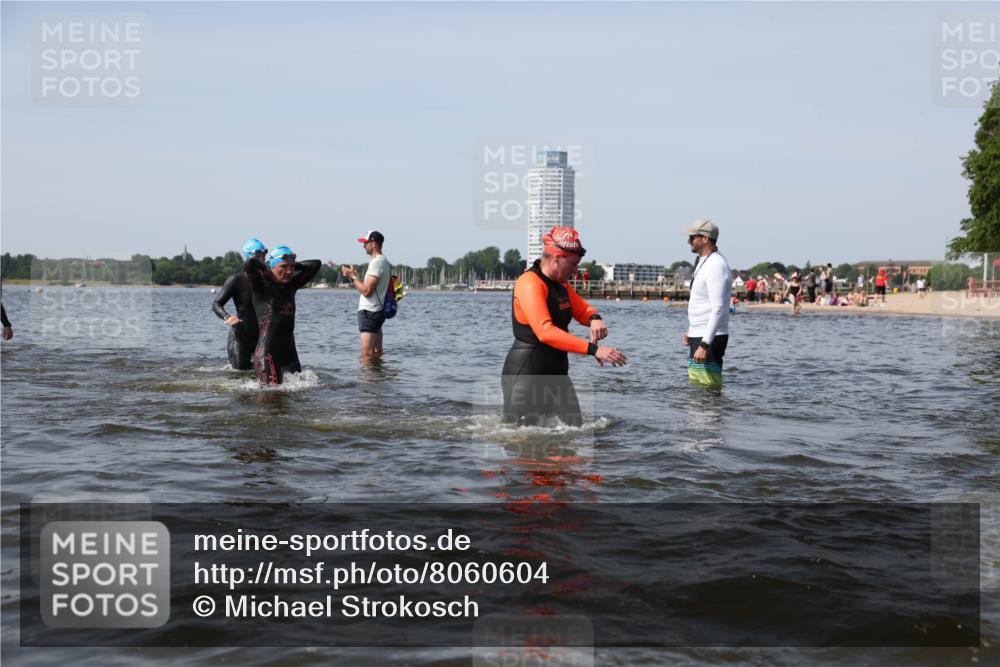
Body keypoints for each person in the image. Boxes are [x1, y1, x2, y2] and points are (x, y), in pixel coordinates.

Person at [501, 226, 626, 426]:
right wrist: (594, 350)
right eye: (573, 264)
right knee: (522, 440)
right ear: (557, 258)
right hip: (527, 373)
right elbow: (545, 332)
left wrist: (595, 318)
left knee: (576, 431)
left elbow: (582, 310)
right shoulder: (529, 283)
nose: (576, 271)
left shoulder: (561, 284)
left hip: (558, 374)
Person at [244, 245, 321, 385]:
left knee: (297, 393)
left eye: (292, 267)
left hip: (289, 351)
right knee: (271, 394)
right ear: (272, 266)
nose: (289, 271)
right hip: (267, 352)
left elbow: (316, 264)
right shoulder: (261, 285)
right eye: (284, 267)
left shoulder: (292, 285)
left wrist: (291, 262)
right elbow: (250, 263)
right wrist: (265, 268)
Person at [682, 219, 733, 388]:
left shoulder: (716, 265)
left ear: (705, 238)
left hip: (710, 338)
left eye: (692, 237)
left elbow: (718, 308)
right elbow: (701, 301)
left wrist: (705, 344)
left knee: (708, 388)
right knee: (696, 387)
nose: (689, 241)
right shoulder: (704, 261)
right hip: (700, 333)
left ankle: (713, 407)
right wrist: (692, 329)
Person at [212, 238, 267, 370]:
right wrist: (228, 317)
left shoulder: (268, 280)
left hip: (262, 338)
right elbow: (216, 304)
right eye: (258, 255)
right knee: (240, 375)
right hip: (241, 337)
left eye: (264, 254)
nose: (262, 258)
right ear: (249, 257)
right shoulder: (236, 280)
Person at [342, 230, 392, 360]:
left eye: (366, 243)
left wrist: (352, 277)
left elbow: (366, 291)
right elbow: (369, 288)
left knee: (366, 353)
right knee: (376, 352)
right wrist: (354, 277)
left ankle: (367, 374)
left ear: (373, 244)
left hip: (370, 311)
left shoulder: (377, 262)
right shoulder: (384, 261)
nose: (363, 246)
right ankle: (377, 373)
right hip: (377, 311)